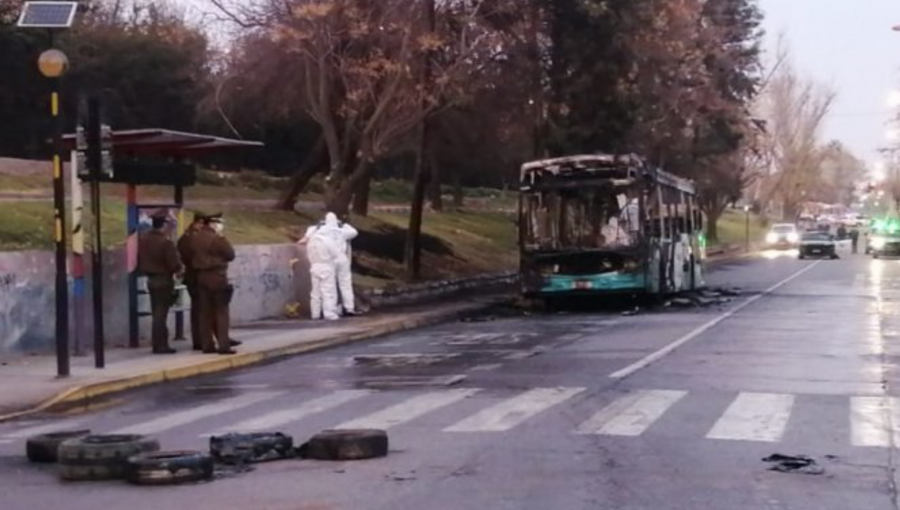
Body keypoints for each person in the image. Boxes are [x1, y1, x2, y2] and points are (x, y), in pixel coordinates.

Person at [178, 213, 241, 351]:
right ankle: (224, 345)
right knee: (221, 311)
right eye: (218, 222)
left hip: (201, 277)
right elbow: (230, 254)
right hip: (217, 276)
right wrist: (222, 237)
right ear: (213, 223)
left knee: (204, 312)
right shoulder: (216, 239)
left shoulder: (194, 238)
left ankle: (207, 345)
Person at [138, 209, 183, 355]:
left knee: (156, 312)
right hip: (163, 280)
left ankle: (157, 344)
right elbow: (174, 264)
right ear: (163, 225)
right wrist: (180, 269)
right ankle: (161, 345)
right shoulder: (165, 242)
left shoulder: (144, 239)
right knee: (161, 314)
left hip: (151, 280)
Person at [319, 213, 359, 315]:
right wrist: (346, 225)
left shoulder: (323, 230)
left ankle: (332, 309)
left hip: (330, 259)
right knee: (345, 284)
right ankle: (349, 307)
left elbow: (315, 236)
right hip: (342, 258)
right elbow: (354, 232)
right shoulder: (342, 231)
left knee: (330, 285)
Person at [298, 224, 340, 321]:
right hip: (326, 266)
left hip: (314, 267)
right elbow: (335, 254)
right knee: (327, 291)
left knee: (315, 293)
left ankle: (315, 313)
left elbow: (308, 255)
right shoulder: (327, 241)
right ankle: (329, 313)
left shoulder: (311, 242)